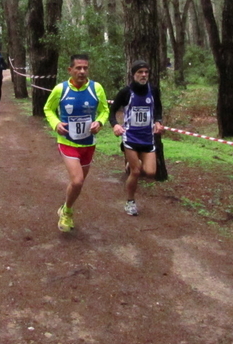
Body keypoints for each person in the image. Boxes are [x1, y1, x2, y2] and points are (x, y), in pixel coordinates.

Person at [44, 54, 109, 232]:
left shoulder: (96, 88)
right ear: (70, 70)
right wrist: (56, 123)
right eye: (78, 68)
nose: (82, 71)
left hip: (88, 143)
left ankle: (65, 207)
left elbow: (105, 110)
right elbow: (48, 109)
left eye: (85, 68)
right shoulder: (60, 89)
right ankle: (68, 214)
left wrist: (100, 122)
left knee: (77, 184)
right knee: (78, 181)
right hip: (67, 141)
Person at [109, 60, 164, 216]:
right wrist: (115, 125)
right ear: (133, 74)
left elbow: (158, 108)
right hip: (130, 137)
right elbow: (111, 111)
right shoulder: (126, 92)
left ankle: (130, 165)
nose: (143, 75)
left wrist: (158, 121)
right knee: (136, 171)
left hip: (147, 138)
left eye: (146, 72)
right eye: (140, 72)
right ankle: (130, 202)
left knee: (151, 172)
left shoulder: (153, 90)